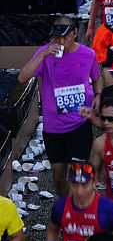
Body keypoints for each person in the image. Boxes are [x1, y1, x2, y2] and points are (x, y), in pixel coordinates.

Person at [18, 15, 102, 197]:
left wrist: (98, 95)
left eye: (66, 37)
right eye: (57, 37)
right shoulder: (46, 54)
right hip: (54, 128)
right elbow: (22, 77)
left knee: (76, 174)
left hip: (79, 124)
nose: (61, 41)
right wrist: (43, 53)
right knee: (58, 175)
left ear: (75, 33)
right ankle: (64, 207)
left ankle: (74, 212)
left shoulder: (88, 55)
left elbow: (97, 78)